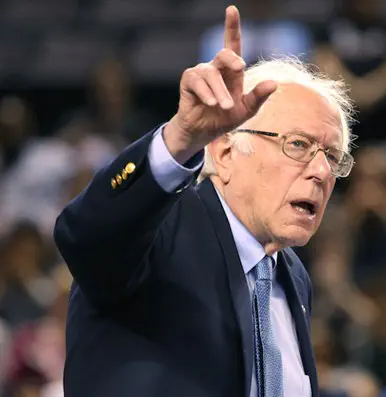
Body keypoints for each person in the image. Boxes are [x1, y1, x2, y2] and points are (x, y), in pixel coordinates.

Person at [52, 6, 355, 397]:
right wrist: (179, 138)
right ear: (226, 153)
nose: (322, 172)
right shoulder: (161, 226)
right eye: (298, 145)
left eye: (331, 156)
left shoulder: (292, 275)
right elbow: (85, 237)